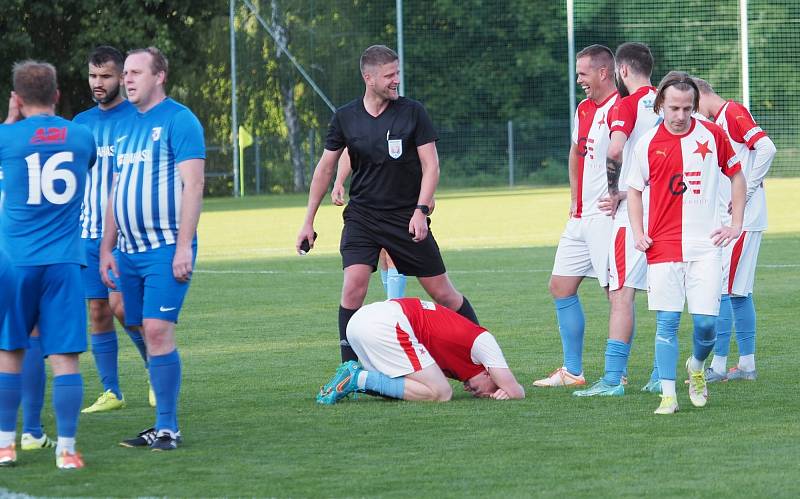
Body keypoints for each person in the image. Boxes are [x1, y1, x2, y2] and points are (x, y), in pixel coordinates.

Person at [296, 45, 478, 363]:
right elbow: (325, 167)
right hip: (362, 218)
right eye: (389, 75)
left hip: (405, 217)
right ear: (369, 77)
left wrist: (421, 210)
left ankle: (482, 355)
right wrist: (308, 220)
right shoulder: (345, 117)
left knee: (443, 293)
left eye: (397, 72)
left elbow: (431, 165)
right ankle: (349, 369)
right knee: (353, 286)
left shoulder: (413, 112)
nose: (396, 80)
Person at [98, 47, 205, 451]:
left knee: (158, 331)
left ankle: (167, 427)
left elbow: (193, 186)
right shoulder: (125, 127)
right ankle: (159, 380)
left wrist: (183, 247)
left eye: (135, 72)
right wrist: (108, 248)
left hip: (164, 247)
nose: (126, 79)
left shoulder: (180, 120)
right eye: (125, 73)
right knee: (123, 310)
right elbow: (115, 192)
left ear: (159, 76)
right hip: (128, 249)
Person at [626, 72, 746, 415]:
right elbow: (634, 190)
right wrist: (638, 231)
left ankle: (696, 367)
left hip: (706, 245)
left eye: (688, 108)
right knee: (667, 322)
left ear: (695, 106)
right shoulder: (647, 143)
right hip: (662, 246)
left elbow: (737, 175)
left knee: (707, 325)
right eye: (674, 108)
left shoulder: (712, 134)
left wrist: (735, 223)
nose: (680, 116)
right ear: (661, 104)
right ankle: (668, 394)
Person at [0, 60, 96, 468]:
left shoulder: (7, 137)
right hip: (63, 262)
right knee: (65, 359)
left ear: (17, 99)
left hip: (15, 263)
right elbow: (82, 162)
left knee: (9, 351)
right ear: (57, 95)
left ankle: (5, 445)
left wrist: (10, 120)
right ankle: (67, 450)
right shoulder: (82, 137)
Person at [574, 42, 660, 397]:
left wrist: (615, 191)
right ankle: (661, 373)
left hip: (634, 215)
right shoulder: (671, 102)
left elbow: (614, 149)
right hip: (672, 213)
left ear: (622, 71)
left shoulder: (626, 104)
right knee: (665, 295)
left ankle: (613, 379)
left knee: (622, 294)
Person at [71, 46, 152, 413]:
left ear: (122, 77)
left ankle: (155, 367)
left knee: (123, 308)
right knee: (98, 312)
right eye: (93, 76)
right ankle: (112, 392)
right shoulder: (80, 124)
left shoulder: (137, 119)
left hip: (124, 233)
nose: (98, 83)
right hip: (86, 233)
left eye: (105, 76)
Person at [533, 45, 618, 387]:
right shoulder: (583, 109)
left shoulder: (623, 110)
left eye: (583, 73)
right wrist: (573, 197)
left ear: (603, 73)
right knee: (560, 286)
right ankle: (573, 372)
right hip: (580, 216)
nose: (579, 80)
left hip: (606, 217)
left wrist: (621, 196)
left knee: (617, 295)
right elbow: (575, 152)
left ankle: (619, 373)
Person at [694, 77, 776, 383]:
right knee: (739, 292)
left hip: (742, 220)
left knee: (725, 290)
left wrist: (748, 191)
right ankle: (746, 365)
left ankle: (717, 366)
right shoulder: (721, 120)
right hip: (736, 220)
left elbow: (767, 148)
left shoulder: (733, 112)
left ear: (700, 95)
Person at [316, 298, 525, 403]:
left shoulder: (462, 365)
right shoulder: (483, 340)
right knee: (442, 393)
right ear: (489, 372)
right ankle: (358, 378)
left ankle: (358, 378)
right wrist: (507, 390)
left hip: (362, 322)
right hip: (384, 324)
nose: (481, 394)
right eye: (493, 388)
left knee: (417, 387)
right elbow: (516, 392)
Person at [331, 148, 413, 300]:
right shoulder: (361, 126)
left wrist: (426, 192)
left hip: (400, 197)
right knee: (383, 252)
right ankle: (393, 304)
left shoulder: (402, 125)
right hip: (368, 200)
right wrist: (339, 182)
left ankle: (394, 305)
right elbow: (349, 151)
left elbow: (421, 155)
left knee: (393, 252)